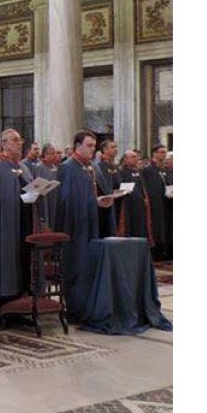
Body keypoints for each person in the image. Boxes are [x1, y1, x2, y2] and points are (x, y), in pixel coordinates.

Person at [58, 131, 119, 316]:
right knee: (78, 266)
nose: (93, 149)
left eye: (94, 145)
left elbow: (100, 191)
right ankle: (76, 309)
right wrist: (94, 203)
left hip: (95, 224)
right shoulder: (68, 167)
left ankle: (93, 306)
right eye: (89, 145)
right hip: (77, 229)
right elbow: (68, 201)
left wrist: (105, 202)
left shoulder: (92, 167)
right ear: (78, 146)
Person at [0, 129, 35, 319]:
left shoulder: (23, 168)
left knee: (22, 262)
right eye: (15, 140)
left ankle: (21, 303)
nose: (20, 143)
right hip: (5, 225)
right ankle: (2, 307)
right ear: (3, 144)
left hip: (23, 222)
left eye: (20, 140)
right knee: (5, 263)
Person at [140, 146, 173, 261]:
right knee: (156, 228)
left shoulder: (166, 169)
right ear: (154, 153)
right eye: (161, 152)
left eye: (165, 152)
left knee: (167, 227)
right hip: (154, 205)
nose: (164, 155)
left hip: (167, 204)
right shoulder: (147, 171)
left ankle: (167, 252)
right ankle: (156, 253)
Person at [115, 150, 152, 240]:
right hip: (128, 206)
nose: (136, 159)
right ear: (126, 159)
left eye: (137, 157)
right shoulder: (121, 172)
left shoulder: (139, 172)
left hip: (141, 207)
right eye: (134, 157)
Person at [93, 139, 122, 237]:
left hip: (117, 201)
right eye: (113, 147)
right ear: (105, 150)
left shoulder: (114, 165)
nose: (116, 149)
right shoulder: (98, 165)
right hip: (105, 204)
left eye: (116, 147)